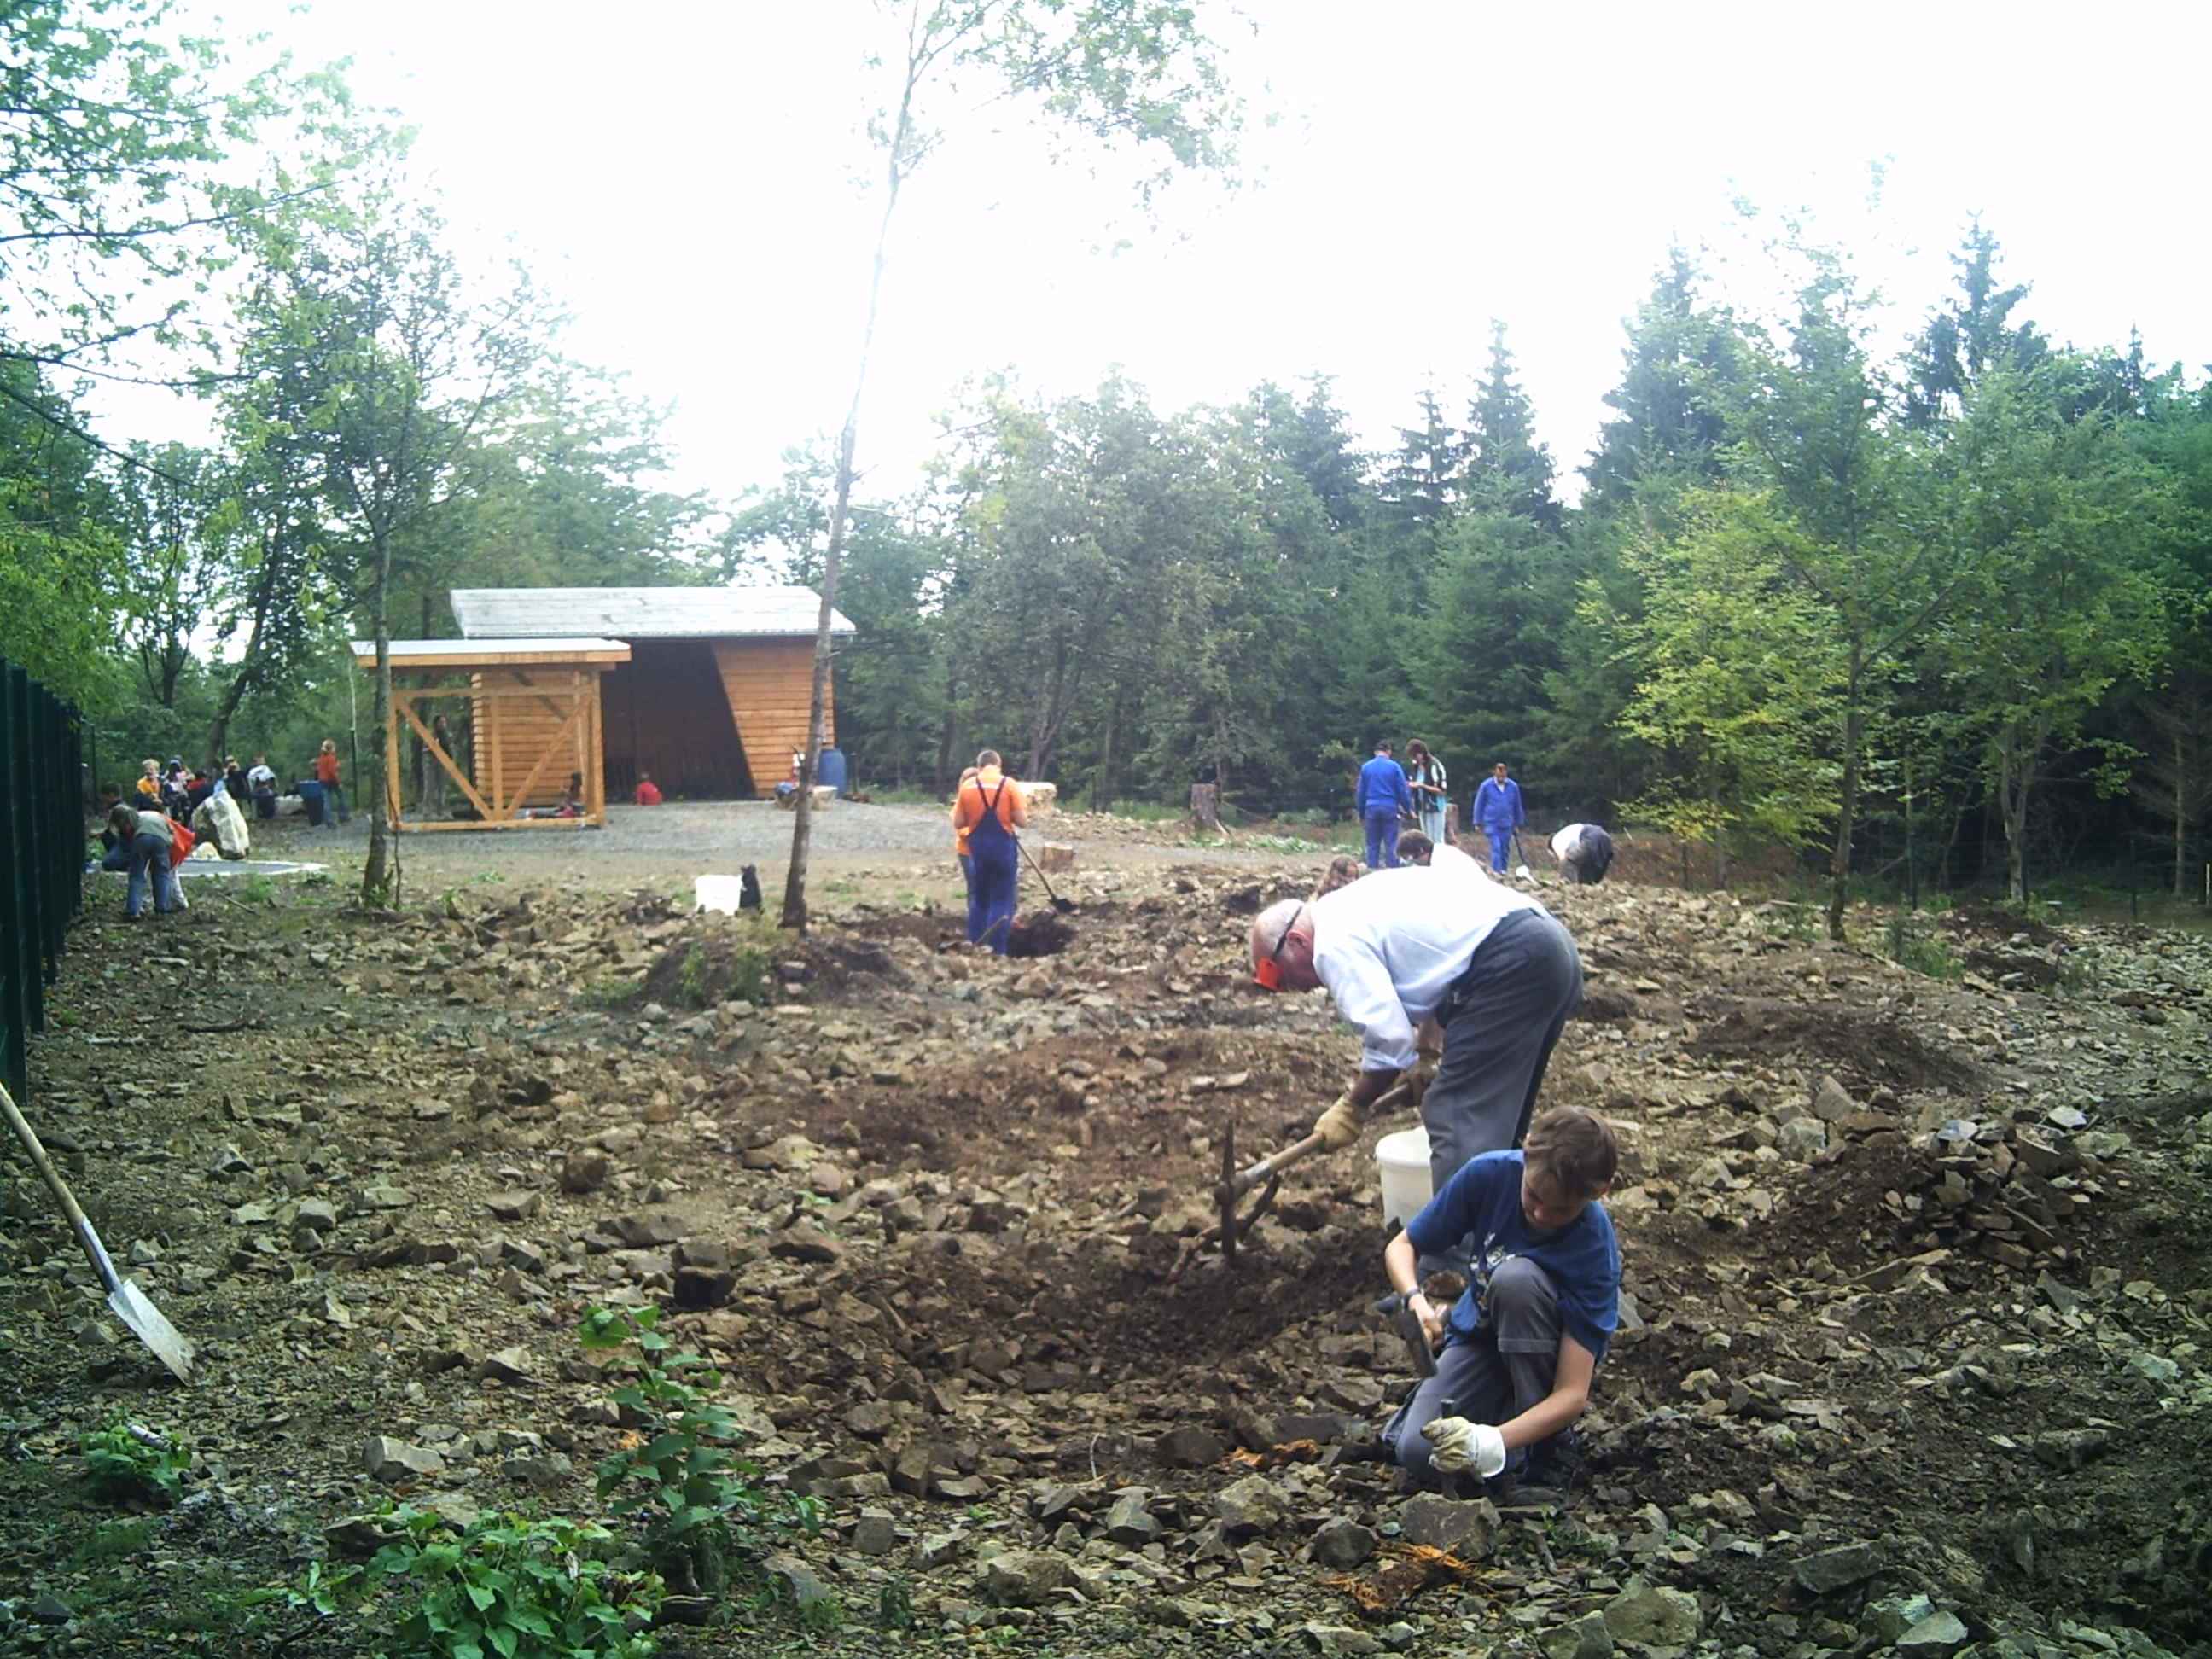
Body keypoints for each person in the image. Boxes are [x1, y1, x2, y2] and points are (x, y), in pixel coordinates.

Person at [1248, 863, 1584, 1266]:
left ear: (1297, 940)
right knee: (1498, 1124)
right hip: (1548, 948)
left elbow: (1390, 1042)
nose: (1292, 989)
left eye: (1278, 975)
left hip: (1511, 962)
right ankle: (1507, 1243)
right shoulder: (1355, 903)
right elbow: (1441, 970)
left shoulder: (1332, 944)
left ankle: (1451, 1270)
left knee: (1454, 1113)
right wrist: (1426, 1054)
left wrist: (1353, 1107)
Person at [1379, 1106, 1620, 1497]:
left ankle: (1544, 1450)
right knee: (1418, 1453)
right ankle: (1501, 1423)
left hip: (1544, 1362)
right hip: (1480, 1340)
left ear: (1599, 1192)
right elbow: (1403, 1245)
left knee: (1515, 1280)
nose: (1540, 1214)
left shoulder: (1593, 1249)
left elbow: (1573, 1393)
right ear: (1526, 1152)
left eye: (1560, 1209)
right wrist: (1415, 1300)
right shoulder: (1490, 1174)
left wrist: (1489, 1442)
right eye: (1533, 1196)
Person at [951, 749, 1027, 953]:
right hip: (1003, 850)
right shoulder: (1009, 785)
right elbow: (1022, 821)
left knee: (979, 899)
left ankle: (976, 945)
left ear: (979, 766)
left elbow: (958, 822)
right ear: (999, 765)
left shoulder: (968, 786)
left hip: (978, 851)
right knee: (1001, 899)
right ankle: (997, 950)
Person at [110, 803, 183, 918]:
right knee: (161, 875)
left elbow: (127, 843)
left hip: (142, 839)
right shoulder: (150, 816)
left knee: (137, 876)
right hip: (162, 840)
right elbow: (172, 831)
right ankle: (162, 909)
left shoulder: (133, 821)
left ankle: (133, 910)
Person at [1356, 739, 1414, 870]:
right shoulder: (1394, 767)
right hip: (1390, 807)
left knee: (1372, 843)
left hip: (1371, 808)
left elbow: (1361, 793)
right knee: (1392, 842)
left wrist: (1361, 813)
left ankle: (1371, 871)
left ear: (1375, 752)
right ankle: (1392, 871)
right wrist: (1408, 809)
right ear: (1389, 752)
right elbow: (1402, 790)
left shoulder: (1366, 767)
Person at [1471, 761, 1526, 876]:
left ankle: (1503, 870)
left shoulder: (1513, 786)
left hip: (1507, 822)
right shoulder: (1486, 786)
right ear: (1495, 773)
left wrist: (1518, 823)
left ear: (1506, 773)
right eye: (1499, 773)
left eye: (1503, 774)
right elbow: (1479, 804)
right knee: (1496, 847)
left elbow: (1517, 805)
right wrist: (1477, 822)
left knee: (1505, 848)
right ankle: (1496, 871)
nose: (1501, 776)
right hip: (1491, 822)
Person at [1405, 740, 1449, 846]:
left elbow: (1442, 791)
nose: (1414, 759)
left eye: (1415, 756)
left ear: (1421, 753)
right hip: (1422, 807)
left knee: (1436, 839)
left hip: (1435, 806)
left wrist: (1422, 786)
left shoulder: (1435, 765)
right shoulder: (1416, 767)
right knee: (1426, 838)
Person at [950, 764, 981, 899]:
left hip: (985, 851)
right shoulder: (958, 805)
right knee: (974, 886)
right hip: (967, 852)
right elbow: (961, 830)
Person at [1394, 830, 1482, 876]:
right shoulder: (1440, 852)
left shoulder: (1442, 862)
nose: (1413, 864)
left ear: (1421, 850)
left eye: (1410, 858)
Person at [1550, 823, 1615, 886]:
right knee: (1589, 869)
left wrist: (1561, 876)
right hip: (1606, 839)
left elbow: (1563, 859)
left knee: (1568, 860)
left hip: (1591, 838)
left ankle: (1570, 887)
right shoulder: (1566, 833)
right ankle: (1590, 888)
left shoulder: (1555, 841)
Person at [315, 740, 348, 826]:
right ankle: (343, 816)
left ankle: (329, 821)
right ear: (331, 748)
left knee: (327, 801)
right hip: (331, 780)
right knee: (341, 797)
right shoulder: (331, 758)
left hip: (322, 781)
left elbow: (319, 769)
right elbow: (332, 772)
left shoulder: (321, 758)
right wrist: (339, 782)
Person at [247, 754, 277, 821]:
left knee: (270, 794)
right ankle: (263, 813)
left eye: (262, 760)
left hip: (265, 788)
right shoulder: (252, 770)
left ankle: (269, 814)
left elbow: (271, 779)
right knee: (264, 795)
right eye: (259, 760)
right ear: (255, 761)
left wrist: (268, 785)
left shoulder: (266, 769)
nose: (261, 762)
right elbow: (251, 781)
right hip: (256, 789)